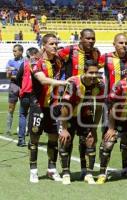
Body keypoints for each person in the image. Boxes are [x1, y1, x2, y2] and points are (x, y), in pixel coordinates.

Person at [58, 28, 101, 179]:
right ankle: (65, 171)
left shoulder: (96, 53)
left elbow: (97, 71)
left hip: (86, 103)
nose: (90, 41)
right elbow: (55, 62)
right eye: (88, 38)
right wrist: (60, 82)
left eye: (93, 38)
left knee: (87, 138)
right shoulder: (68, 51)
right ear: (80, 38)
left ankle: (85, 170)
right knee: (66, 138)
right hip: (71, 97)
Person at [28, 33, 67, 183]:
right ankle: (33, 170)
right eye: (51, 44)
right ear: (44, 45)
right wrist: (63, 83)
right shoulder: (35, 62)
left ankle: (51, 169)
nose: (55, 46)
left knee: (53, 137)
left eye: (56, 44)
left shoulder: (58, 61)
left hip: (53, 106)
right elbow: (43, 80)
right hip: (38, 105)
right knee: (34, 138)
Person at [98, 33, 127, 178]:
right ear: (114, 43)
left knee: (126, 138)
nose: (124, 45)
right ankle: (103, 170)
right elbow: (94, 70)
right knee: (107, 136)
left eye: (126, 43)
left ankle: (125, 169)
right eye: (121, 43)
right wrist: (99, 82)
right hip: (110, 104)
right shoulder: (106, 57)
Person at [15, 47, 40, 147]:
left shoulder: (24, 63)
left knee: (23, 115)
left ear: (28, 54)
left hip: (25, 93)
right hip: (35, 94)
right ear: (36, 53)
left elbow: (18, 78)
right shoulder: (39, 64)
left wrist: (22, 87)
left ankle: (21, 139)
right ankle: (32, 139)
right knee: (33, 116)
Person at [5, 44, 24, 137]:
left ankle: (24, 129)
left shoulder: (26, 61)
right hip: (13, 86)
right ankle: (8, 130)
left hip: (23, 86)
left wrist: (16, 73)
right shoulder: (10, 61)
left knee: (24, 108)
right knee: (11, 108)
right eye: (13, 51)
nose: (14, 52)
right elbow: (8, 76)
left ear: (21, 52)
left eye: (15, 51)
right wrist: (13, 74)